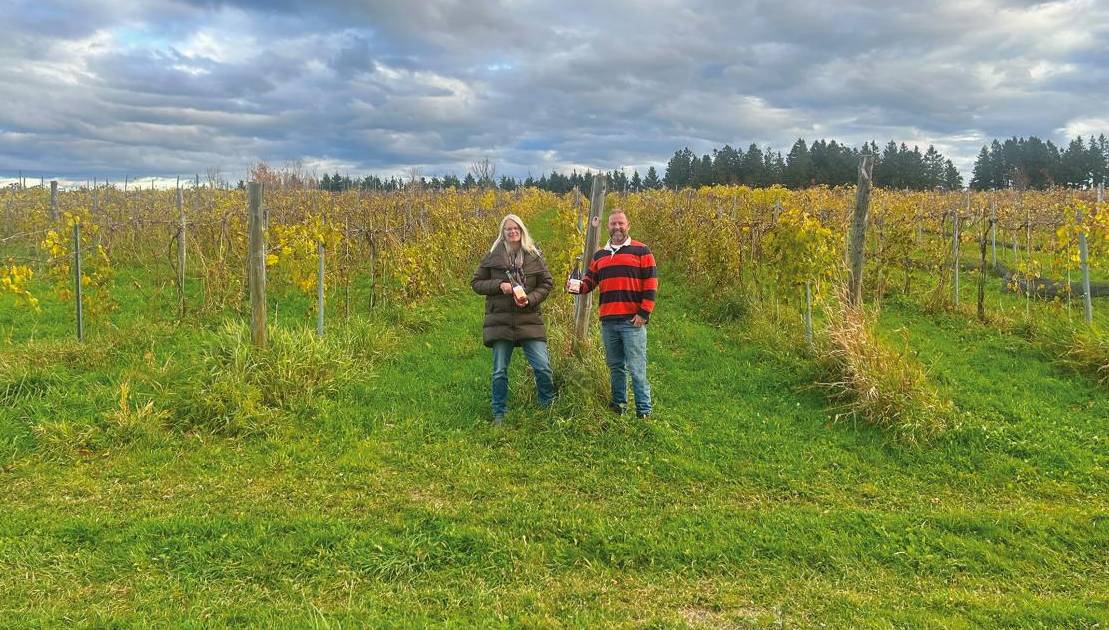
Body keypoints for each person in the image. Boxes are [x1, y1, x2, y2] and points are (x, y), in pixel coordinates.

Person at [567, 210, 657, 418]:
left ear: (628, 226)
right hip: (608, 321)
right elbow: (589, 283)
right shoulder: (600, 255)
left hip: (632, 321)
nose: (617, 227)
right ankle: (619, 406)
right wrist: (575, 286)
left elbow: (651, 284)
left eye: (621, 224)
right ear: (607, 227)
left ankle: (644, 410)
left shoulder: (642, 251)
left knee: (636, 368)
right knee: (616, 366)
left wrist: (644, 313)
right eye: (613, 224)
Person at [471, 213, 556, 425]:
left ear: (522, 231)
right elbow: (476, 283)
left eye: (516, 228)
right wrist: (499, 286)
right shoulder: (492, 256)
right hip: (500, 320)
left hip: (529, 319)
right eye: (508, 229)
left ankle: (548, 407)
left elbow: (546, 283)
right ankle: (499, 412)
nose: (512, 232)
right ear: (503, 232)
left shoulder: (534, 255)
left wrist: (530, 299)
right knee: (499, 370)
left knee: (543, 366)